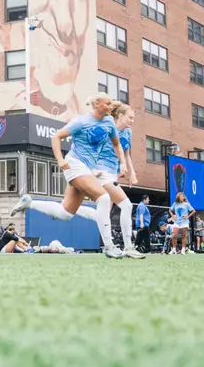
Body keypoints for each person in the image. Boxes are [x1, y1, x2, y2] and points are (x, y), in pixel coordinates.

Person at [12, 93, 127, 258]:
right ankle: (109, 247)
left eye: (111, 104)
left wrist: (122, 163)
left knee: (66, 213)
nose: (110, 107)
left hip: (87, 168)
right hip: (74, 164)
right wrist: (60, 160)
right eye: (106, 104)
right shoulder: (81, 122)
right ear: (96, 105)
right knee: (104, 198)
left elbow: (116, 144)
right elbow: (56, 136)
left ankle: (30, 203)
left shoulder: (109, 121)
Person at [93, 102, 144, 258]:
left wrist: (132, 173)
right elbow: (92, 149)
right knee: (126, 205)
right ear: (120, 115)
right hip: (101, 173)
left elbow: (127, 154)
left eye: (133, 118)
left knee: (104, 211)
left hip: (113, 174)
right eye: (130, 117)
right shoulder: (105, 129)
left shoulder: (128, 132)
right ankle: (128, 247)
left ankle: (109, 247)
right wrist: (92, 169)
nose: (132, 120)